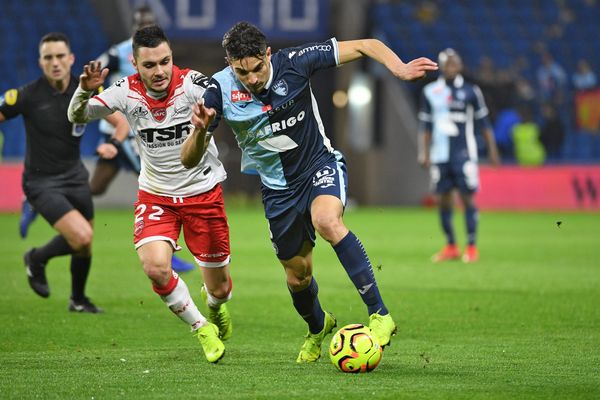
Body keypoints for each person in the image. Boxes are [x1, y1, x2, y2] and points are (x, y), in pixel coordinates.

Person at [181, 21, 438, 363]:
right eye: (243, 72)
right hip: (278, 190)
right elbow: (189, 160)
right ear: (230, 64)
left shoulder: (296, 61)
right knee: (298, 276)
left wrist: (400, 68)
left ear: (268, 54)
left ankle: (380, 315)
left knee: (327, 221)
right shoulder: (217, 92)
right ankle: (318, 327)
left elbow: (365, 44)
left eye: (258, 68)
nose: (253, 78)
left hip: (319, 165)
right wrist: (199, 132)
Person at [68, 26, 233, 363]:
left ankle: (215, 307)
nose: (159, 71)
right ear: (134, 64)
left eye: (165, 62)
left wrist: (210, 117)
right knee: (156, 267)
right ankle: (201, 327)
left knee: (220, 288)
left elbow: (216, 91)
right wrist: (83, 91)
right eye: (150, 65)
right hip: (156, 196)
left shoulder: (191, 84)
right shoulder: (124, 92)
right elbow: (77, 115)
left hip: (202, 193)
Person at [0, 32, 129, 312]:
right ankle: (35, 258)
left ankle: (78, 300)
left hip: (75, 177)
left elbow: (122, 124)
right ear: (40, 62)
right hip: (40, 182)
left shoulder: (84, 93)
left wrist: (113, 145)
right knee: (81, 236)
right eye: (48, 57)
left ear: (71, 59)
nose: (55, 62)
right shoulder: (26, 95)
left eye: (60, 56)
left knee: (84, 245)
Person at [92, 5, 194, 273]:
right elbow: (95, 74)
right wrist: (109, 105)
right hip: (125, 129)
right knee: (159, 183)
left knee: (97, 187)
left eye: (149, 22)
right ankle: (166, 251)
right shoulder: (119, 52)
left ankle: (41, 200)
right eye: (140, 23)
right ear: (133, 26)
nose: (144, 27)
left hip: (143, 127)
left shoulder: (158, 52)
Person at [418, 48, 500, 263]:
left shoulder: (472, 91)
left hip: (464, 155)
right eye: (447, 63)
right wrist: (424, 152)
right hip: (439, 155)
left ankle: (472, 247)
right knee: (443, 200)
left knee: (467, 198)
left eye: (454, 63)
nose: (450, 67)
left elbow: (484, 123)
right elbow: (425, 126)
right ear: (441, 66)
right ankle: (451, 246)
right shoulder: (430, 92)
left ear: (460, 66)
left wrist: (492, 149)